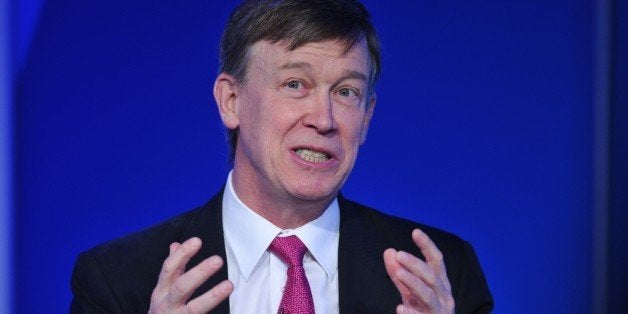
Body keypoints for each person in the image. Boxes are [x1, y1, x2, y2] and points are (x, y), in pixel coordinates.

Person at [70, 0, 493, 313]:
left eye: (346, 92)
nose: (324, 119)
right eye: (295, 84)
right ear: (231, 101)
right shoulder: (120, 281)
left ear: (367, 117)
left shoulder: (440, 277)